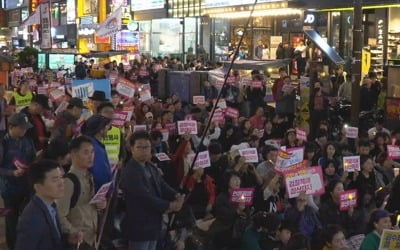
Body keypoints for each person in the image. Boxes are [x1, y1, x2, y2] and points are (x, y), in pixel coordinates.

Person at [120, 131, 184, 250]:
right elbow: (144, 197)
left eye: (146, 147)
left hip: (154, 223)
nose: (143, 150)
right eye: (139, 147)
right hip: (139, 226)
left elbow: (162, 184)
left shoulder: (150, 166)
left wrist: (176, 194)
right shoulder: (130, 172)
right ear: (132, 149)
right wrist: (169, 205)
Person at [57, 136, 106, 249]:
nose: (91, 156)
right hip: (77, 242)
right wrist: (74, 232)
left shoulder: (89, 177)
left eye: (92, 152)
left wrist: (100, 205)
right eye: (86, 152)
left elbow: (86, 206)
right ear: (74, 154)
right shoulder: (68, 181)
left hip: (91, 239)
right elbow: (59, 215)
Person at [0, 113, 36, 250]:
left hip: (26, 186)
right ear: (11, 127)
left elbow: (33, 158)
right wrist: (11, 173)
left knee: (27, 219)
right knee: (11, 221)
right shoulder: (3, 143)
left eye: (25, 128)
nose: (24, 131)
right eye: (21, 128)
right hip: (9, 189)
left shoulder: (27, 141)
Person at [14, 160, 67, 250]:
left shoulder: (51, 205)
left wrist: (68, 239)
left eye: (61, 177)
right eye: (55, 180)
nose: (61, 183)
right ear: (38, 187)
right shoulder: (32, 218)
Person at [80, 114, 112, 191]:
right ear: (101, 130)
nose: (108, 128)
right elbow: (100, 176)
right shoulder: (94, 148)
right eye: (106, 126)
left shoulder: (90, 144)